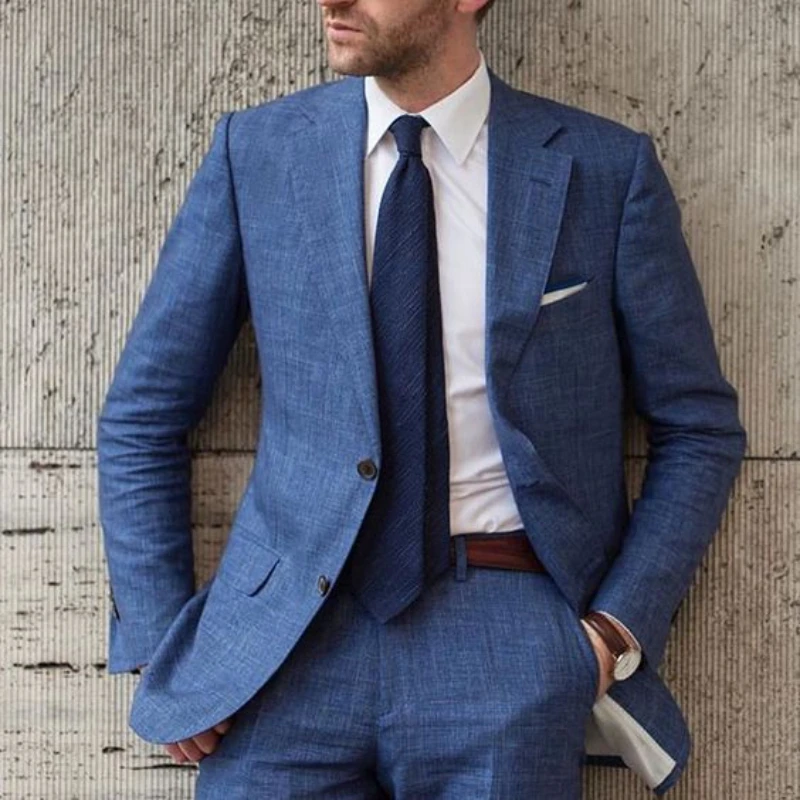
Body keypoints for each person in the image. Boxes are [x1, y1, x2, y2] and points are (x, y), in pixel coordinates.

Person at [97, 0, 746, 797]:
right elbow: (143, 415)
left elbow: (697, 427)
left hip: (508, 639)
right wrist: (165, 646)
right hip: (283, 648)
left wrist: (611, 633)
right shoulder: (260, 152)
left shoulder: (603, 170)